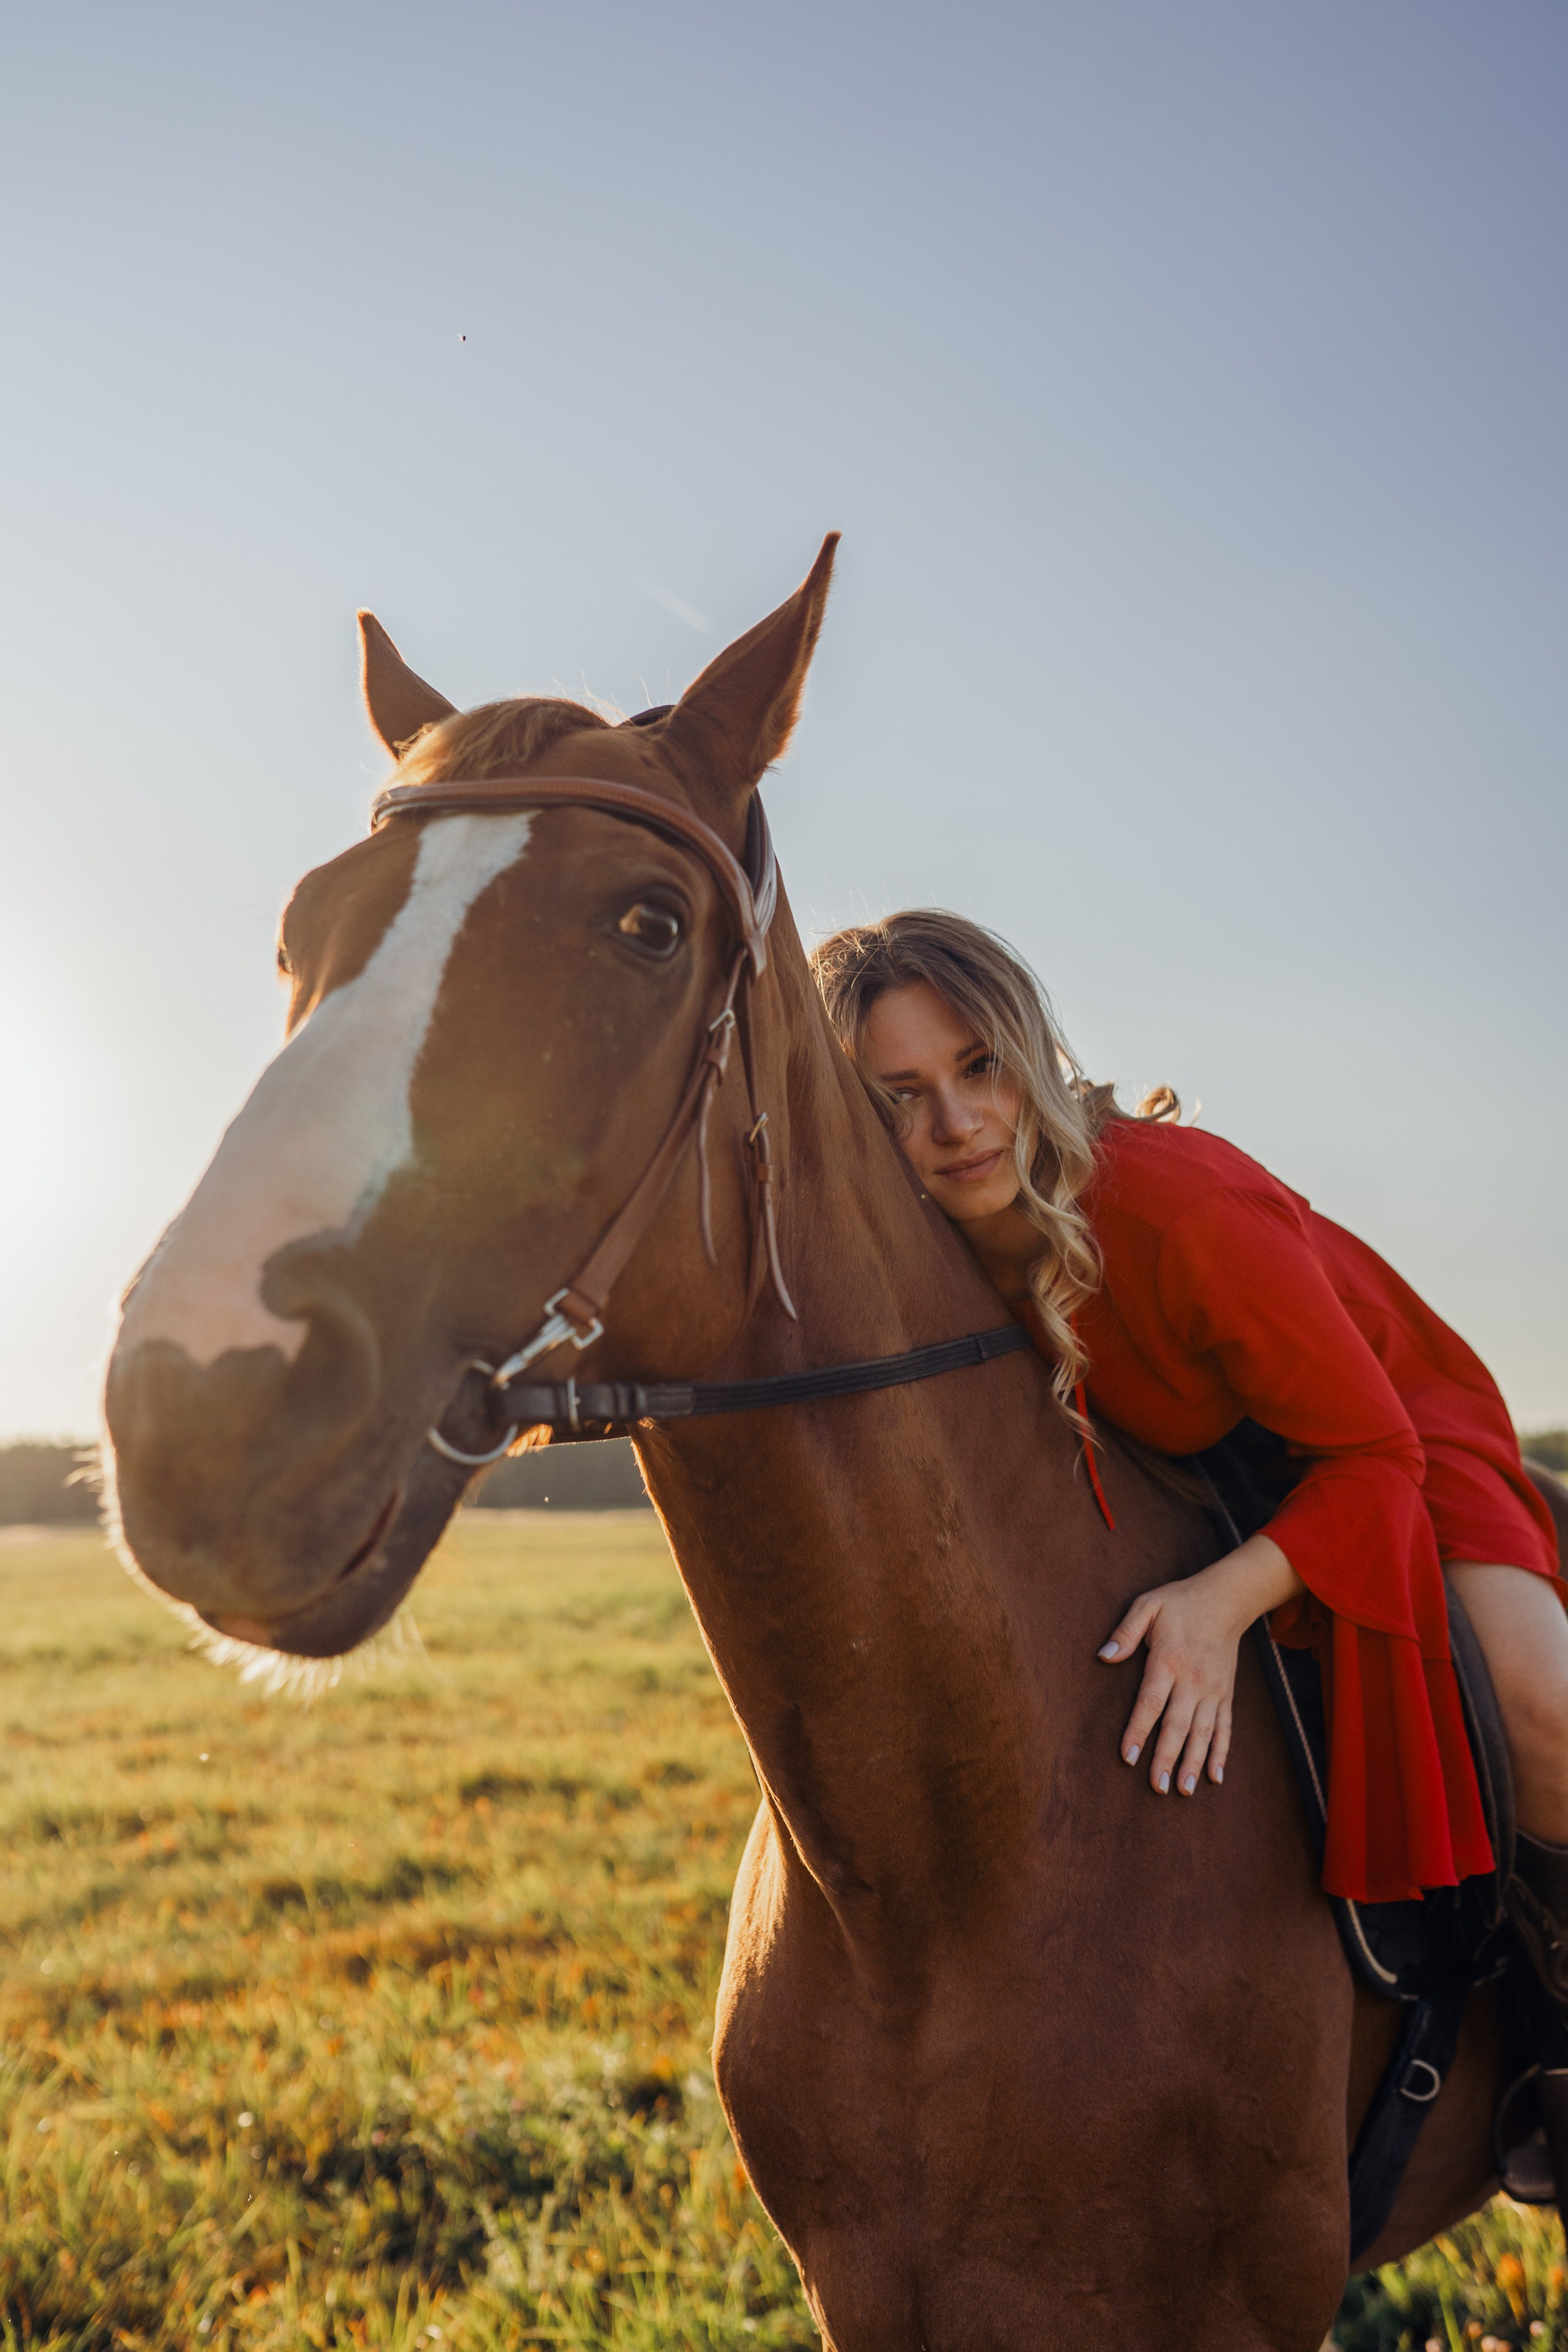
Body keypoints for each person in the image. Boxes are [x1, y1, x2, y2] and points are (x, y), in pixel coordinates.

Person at [812, 909, 1568, 2190]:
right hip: (1196, 1466)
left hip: (1388, 1446)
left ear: (1029, 1053)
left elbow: (1370, 1458)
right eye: (899, 1098)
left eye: (978, 1067)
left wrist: (1221, 1605)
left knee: (1535, 1704)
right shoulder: (920, 1250)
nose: (954, 1125)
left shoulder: (1172, 1202)